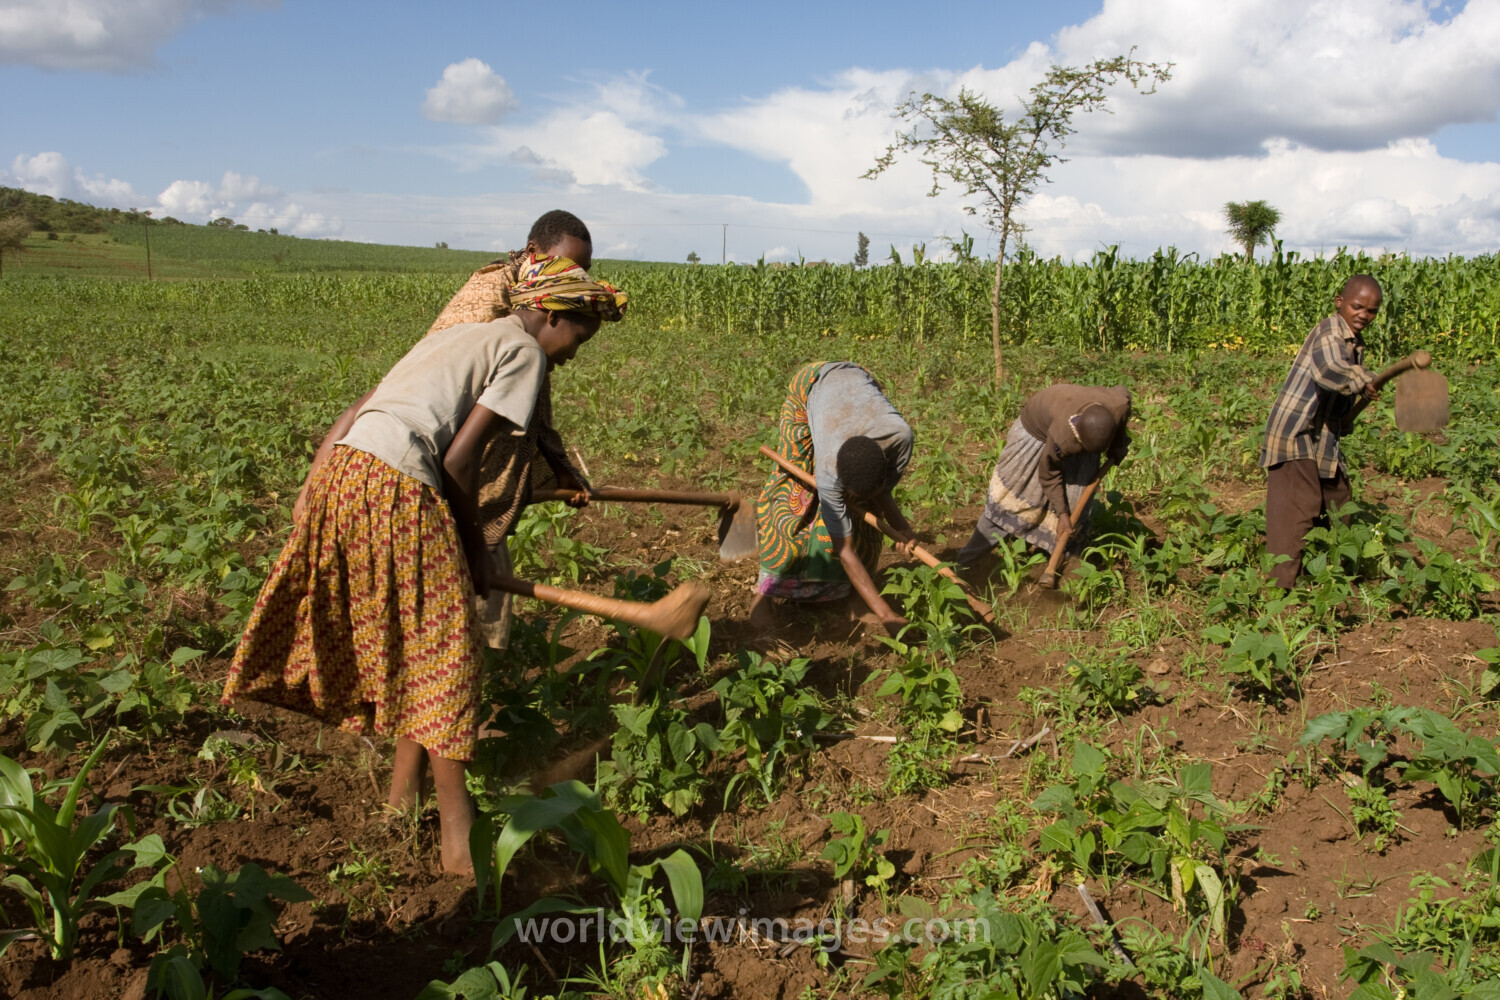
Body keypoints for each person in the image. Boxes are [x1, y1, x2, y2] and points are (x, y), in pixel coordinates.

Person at [222, 255, 627, 874]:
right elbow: (462, 459)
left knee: (419, 642)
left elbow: (366, 410)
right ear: (550, 315)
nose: (574, 352)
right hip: (397, 486)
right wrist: (476, 551)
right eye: (579, 336)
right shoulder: (524, 352)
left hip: (346, 475)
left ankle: (401, 801)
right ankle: (459, 838)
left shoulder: (458, 335)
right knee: (448, 655)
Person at [305, 210, 597, 651]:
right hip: (413, 477)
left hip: (364, 470)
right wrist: (476, 549)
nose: (575, 278)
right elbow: (415, 419)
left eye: (583, 272)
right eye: (568, 267)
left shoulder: (521, 321)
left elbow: (526, 411)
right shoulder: (492, 309)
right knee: (445, 624)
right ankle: (471, 688)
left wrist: (558, 467)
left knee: (390, 620)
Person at [749, 361, 918, 636]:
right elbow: (844, 548)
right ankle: (764, 598)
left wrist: (902, 527)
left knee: (865, 512)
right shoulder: (830, 469)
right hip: (813, 388)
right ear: (840, 478)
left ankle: (855, 600)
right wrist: (887, 614)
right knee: (793, 498)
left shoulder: (899, 439)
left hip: (856, 384)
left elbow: (881, 491)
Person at [1260, 274, 1382, 590]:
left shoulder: (1355, 345)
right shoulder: (1330, 332)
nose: (1363, 315)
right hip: (1295, 434)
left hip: (1323, 437)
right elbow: (1330, 371)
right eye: (1358, 306)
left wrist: (1358, 397)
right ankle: (1279, 591)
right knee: (1297, 506)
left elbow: (1337, 399)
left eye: (1372, 311)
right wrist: (1362, 378)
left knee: (1339, 499)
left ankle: (1336, 578)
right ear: (1340, 303)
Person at [955, 384, 1131, 566]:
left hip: (1081, 435)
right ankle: (965, 564)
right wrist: (1061, 514)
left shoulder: (1118, 406)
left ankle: (1066, 570)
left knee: (1076, 510)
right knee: (1011, 502)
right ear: (1077, 434)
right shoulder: (1062, 436)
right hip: (1035, 435)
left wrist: (1118, 444)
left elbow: (1124, 396)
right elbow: (1048, 474)